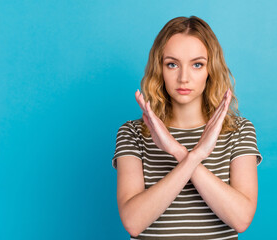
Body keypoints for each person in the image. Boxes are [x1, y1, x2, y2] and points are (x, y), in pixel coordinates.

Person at [112, 15, 263, 240]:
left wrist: (184, 154)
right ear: (159, 68)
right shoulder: (132, 133)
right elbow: (133, 222)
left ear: (210, 69)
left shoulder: (239, 131)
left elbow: (241, 219)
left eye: (197, 64)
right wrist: (188, 155)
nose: (184, 78)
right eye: (172, 64)